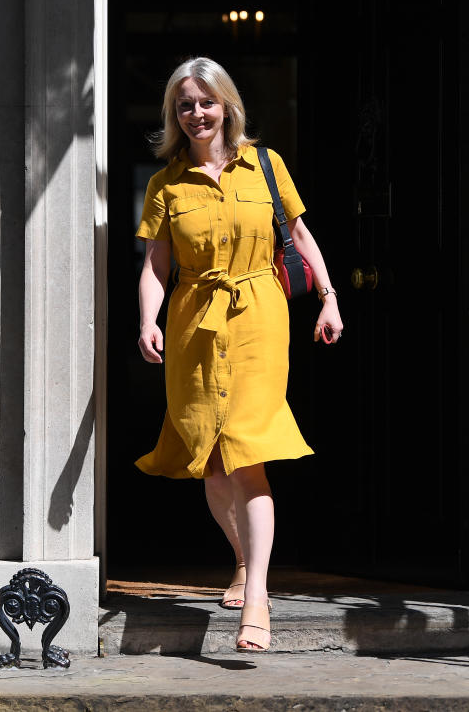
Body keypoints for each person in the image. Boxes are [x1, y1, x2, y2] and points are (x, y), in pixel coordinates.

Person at [134, 57, 343, 653]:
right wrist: (147, 319)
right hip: (194, 325)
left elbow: (299, 237)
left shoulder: (267, 166)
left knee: (248, 453)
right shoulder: (166, 184)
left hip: (259, 317)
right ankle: (243, 562)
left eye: (206, 102)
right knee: (214, 459)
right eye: (184, 105)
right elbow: (155, 265)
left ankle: (257, 600)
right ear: (175, 116)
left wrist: (328, 299)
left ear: (227, 105)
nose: (196, 113)